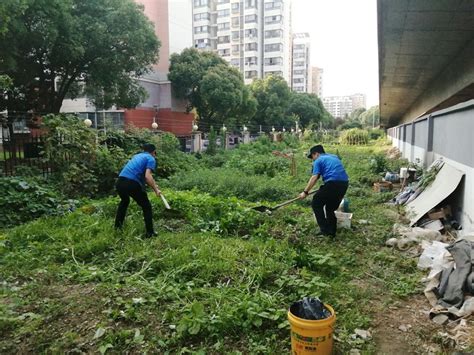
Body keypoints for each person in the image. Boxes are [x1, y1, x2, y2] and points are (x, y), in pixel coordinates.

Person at [299, 144, 349, 237]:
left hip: (332, 183)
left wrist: (305, 192)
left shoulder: (318, 160)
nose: (312, 159)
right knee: (330, 208)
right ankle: (331, 232)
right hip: (344, 184)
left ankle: (325, 230)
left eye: (312, 157)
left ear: (316, 154)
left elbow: (314, 177)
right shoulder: (334, 157)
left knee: (316, 203)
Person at [114, 143, 161, 237]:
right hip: (131, 183)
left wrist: (154, 185)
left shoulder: (137, 156)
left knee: (124, 201)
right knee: (146, 206)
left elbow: (143, 177)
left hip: (120, 182)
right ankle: (150, 233)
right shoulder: (151, 158)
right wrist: (156, 190)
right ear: (154, 152)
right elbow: (148, 176)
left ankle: (117, 228)